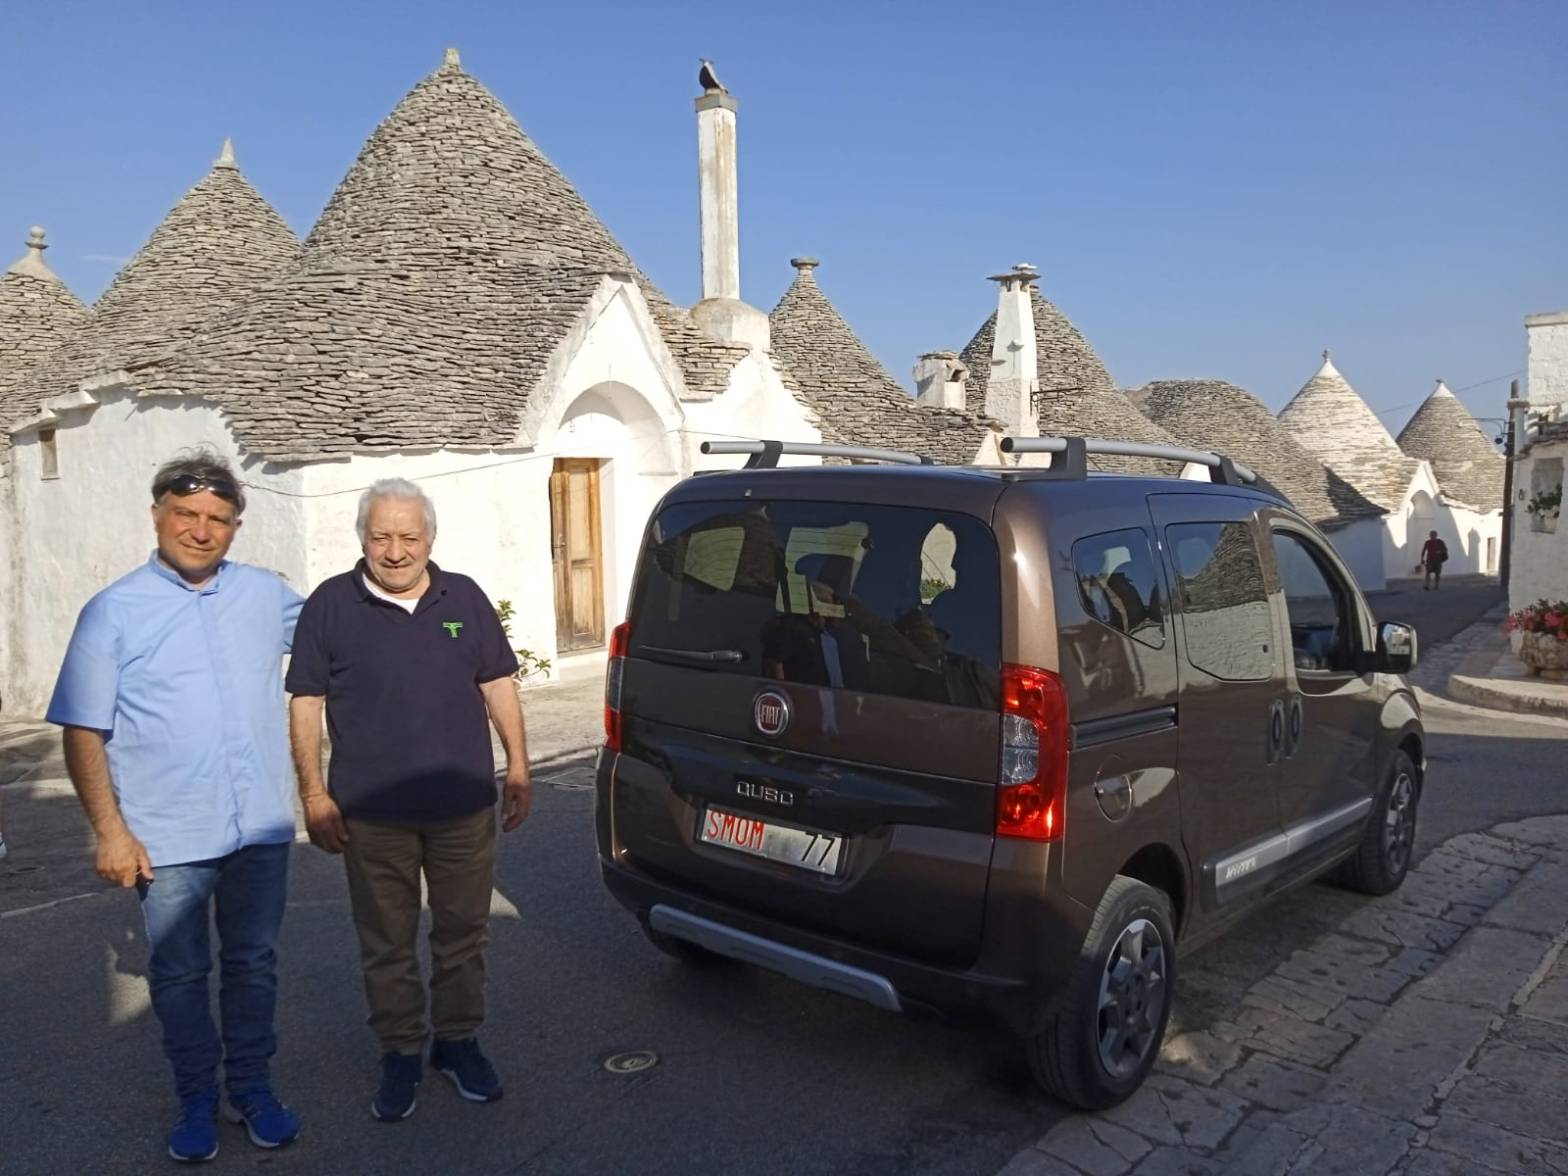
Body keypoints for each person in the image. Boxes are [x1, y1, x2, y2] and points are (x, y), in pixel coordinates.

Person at [46, 451, 303, 1163]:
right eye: (185, 514)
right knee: (181, 974)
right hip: (167, 836)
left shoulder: (266, 595)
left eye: (217, 518)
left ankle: (251, 1088)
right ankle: (195, 1098)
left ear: (236, 526)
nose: (200, 529)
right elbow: (83, 729)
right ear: (157, 515)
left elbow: (344, 637)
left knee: (253, 964)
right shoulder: (113, 611)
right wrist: (109, 831)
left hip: (260, 827)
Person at [286, 478, 531, 1124]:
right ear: (362, 538)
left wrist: (519, 767)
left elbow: (497, 683)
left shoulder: (464, 598)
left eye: (409, 537)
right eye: (381, 537)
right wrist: (314, 793)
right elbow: (306, 702)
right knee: (387, 943)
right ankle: (400, 1051)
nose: (395, 551)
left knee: (464, 934)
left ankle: (457, 1042)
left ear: (430, 539)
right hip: (371, 815)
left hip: (463, 807)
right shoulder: (330, 605)